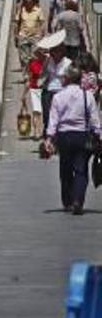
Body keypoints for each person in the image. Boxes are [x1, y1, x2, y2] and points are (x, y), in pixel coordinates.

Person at [44, 66, 102, 215]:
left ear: (67, 79)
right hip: (82, 135)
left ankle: (68, 201)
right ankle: (78, 200)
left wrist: (49, 138)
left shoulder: (58, 96)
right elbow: (95, 119)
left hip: (64, 136)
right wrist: (99, 135)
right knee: (81, 169)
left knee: (65, 169)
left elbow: (53, 120)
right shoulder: (87, 96)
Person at [42, 40, 72, 136]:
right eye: (52, 52)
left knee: (60, 117)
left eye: (56, 52)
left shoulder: (68, 63)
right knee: (47, 116)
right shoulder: (48, 60)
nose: (54, 55)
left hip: (61, 92)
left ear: (61, 52)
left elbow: (71, 79)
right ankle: (48, 136)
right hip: (49, 91)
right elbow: (43, 73)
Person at [15, 0, 45, 66]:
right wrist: (16, 35)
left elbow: (42, 23)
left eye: (30, 2)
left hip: (35, 37)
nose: (29, 4)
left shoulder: (38, 11)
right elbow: (17, 24)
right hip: (23, 36)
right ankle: (26, 75)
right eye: (27, 2)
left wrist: (42, 35)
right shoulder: (21, 11)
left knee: (34, 57)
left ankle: (33, 74)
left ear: (33, 3)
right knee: (24, 58)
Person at [25, 48, 46, 139]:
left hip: (40, 89)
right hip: (35, 90)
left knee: (38, 112)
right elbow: (29, 79)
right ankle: (37, 131)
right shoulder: (36, 64)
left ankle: (38, 131)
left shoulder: (35, 64)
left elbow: (29, 79)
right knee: (37, 111)